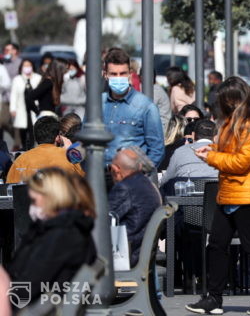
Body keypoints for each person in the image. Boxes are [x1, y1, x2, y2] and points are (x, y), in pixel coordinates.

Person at [188, 77, 250, 315]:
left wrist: (209, 157)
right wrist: (212, 150)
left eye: (223, 101)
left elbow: (242, 162)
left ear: (233, 100)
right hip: (231, 193)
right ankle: (214, 298)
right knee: (217, 244)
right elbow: (231, 152)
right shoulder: (236, 122)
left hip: (247, 194)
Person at [7, 168, 97, 308]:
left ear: (50, 198)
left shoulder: (60, 236)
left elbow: (27, 288)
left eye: (34, 201)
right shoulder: (67, 228)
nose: (32, 207)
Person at [102, 48, 164, 167]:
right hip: (101, 176)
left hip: (130, 177)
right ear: (106, 75)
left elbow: (157, 149)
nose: (119, 78)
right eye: (114, 74)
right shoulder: (97, 104)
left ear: (130, 74)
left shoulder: (146, 106)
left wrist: (140, 174)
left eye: (123, 73)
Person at [108, 146, 162, 266]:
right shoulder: (147, 184)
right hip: (139, 253)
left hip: (125, 256)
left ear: (116, 170)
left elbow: (102, 221)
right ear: (139, 166)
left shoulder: (125, 188)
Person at [6, 117, 84, 183]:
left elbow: (10, 187)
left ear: (36, 138)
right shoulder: (70, 158)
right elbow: (83, 182)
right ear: (58, 138)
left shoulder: (21, 160)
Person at [161, 119, 219, 186]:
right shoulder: (224, 153)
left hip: (186, 195)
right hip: (215, 195)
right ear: (215, 138)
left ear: (193, 135)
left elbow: (165, 180)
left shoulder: (180, 151)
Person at [10, 59, 41, 150]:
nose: (27, 68)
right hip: (22, 109)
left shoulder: (38, 78)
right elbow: (14, 95)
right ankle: (24, 148)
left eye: (29, 65)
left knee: (34, 131)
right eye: (25, 66)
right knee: (22, 131)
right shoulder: (17, 79)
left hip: (34, 110)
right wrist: (13, 108)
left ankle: (32, 148)